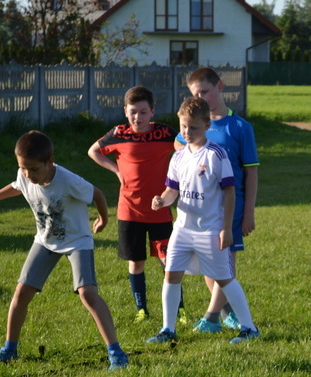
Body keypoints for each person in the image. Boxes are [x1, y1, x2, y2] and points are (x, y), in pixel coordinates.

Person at [0, 130, 128, 371]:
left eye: (33, 169)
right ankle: (9, 349)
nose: (27, 174)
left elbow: (97, 193)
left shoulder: (67, 180)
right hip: (45, 240)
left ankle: (116, 353)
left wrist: (103, 219)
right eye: (23, 168)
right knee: (21, 292)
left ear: (49, 161)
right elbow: (17, 185)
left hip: (77, 241)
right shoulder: (25, 175)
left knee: (87, 293)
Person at [145, 97, 243, 345]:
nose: (187, 132)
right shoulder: (177, 157)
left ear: (207, 125)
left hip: (210, 230)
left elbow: (229, 192)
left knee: (224, 279)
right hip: (182, 229)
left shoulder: (216, 155)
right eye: (184, 126)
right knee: (171, 274)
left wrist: (226, 228)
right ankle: (168, 329)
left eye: (194, 127)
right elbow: (171, 191)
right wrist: (161, 201)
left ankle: (250, 328)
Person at [87, 86, 187, 324]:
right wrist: (116, 169)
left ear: (152, 112)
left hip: (160, 209)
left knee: (168, 262)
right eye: (133, 112)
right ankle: (142, 309)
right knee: (136, 261)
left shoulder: (163, 133)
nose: (137, 117)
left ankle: (179, 310)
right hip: (129, 211)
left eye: (143, 112)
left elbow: (185, 150)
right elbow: (94, 151)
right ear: (125, 111)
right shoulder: (119, 133)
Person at [177, 66, 260, 343]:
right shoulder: (192, 125)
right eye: (194, 94)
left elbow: (251, 172)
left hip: (230, 209)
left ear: (220, 87)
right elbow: (180, 152)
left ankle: (211, 318)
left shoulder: (239, 127)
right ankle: (228, 313)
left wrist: (248, 212)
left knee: (225, 262)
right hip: (201, 212)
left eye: (204, 92)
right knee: (208, 266)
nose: (200, 98)